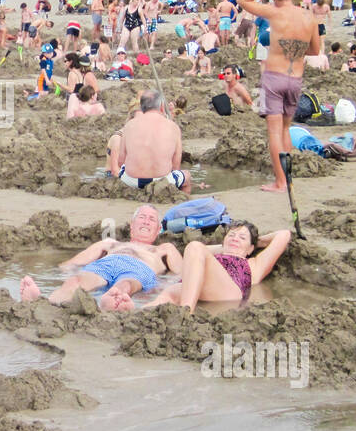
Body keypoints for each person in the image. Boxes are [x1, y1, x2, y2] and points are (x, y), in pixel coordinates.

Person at [238, 0, 321, 192]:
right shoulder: (309, 17)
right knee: (285, 129)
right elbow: (315, 50)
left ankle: (280, 182)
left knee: (274, 132)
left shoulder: (274, 12)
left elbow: (243, 1)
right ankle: (288, 178)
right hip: (295, 78)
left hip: (274, 76)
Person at [17, 205, 182, 310]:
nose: (146, 222)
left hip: (139, 268)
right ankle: (42, 304)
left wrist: (161, 285)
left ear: (159, 229)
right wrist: (65, 274)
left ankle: (111, 303)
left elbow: (183, 275)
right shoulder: (110, 243)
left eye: (152, 219)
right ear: (132, 225)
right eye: (142, 217)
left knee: (123, 286)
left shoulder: (163, 249)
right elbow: (71, 264)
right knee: (75, 282)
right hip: (105, 265)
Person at [140, 221, 291, 311]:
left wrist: (256, 242)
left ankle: (185, 313)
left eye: (242, 237)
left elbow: (284, 235)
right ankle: (134, 310)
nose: (235, 239)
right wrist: (228, 247)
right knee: (167, 295)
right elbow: (192, 253)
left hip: (229, 291)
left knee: (194, 247)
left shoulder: (254, 264)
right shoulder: (211, 255)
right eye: (231, 235)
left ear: (251, 248)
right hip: (196, 287)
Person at [115, 89, 192, 192]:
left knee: (124, 169)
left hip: (132, 180)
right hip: (161, 180)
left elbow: (120, 161)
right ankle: (180, 203)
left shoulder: (129, 125)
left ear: (141, 106)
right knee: (186, 175)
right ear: (161, 106)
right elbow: (175, 166)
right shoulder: (173, 127)